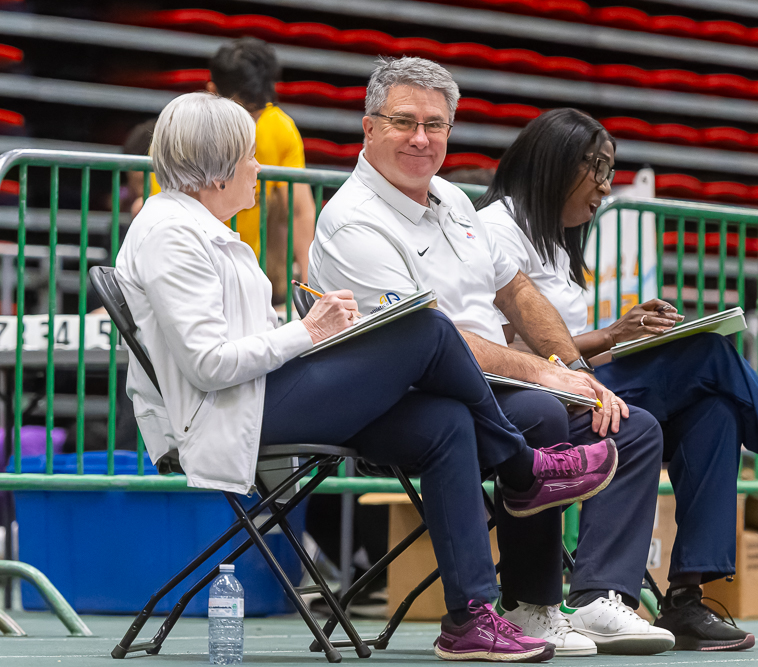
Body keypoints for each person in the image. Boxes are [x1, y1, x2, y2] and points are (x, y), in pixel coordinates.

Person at [114, 91, 617, 663]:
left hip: (258, 394)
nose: (259, 169)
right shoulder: (171, 234)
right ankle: (523, 468)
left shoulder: (199, 227)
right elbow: (209, 363)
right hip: (229, 411)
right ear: (217, 167)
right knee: (425, 327)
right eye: (250, 157)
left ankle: (471, 619)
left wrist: (317, 331)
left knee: (445, 420)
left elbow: (239, 344)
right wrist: (310, 331)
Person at [473, 108, 758, 651]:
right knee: (711, 356)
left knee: (714, 411)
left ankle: (685, 600)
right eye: (596, 169)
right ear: (553, 163)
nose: (605, 186)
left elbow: (561, 346)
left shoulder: (555, 238)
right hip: (529, 399)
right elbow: (498, 347)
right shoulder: (497, 229)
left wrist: (618, 334)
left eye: (609, 172)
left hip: (579, 387)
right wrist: (609, 337)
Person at [310, 57, 677, 657]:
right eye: (404, 121)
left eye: (435, 124)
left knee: (630, 428)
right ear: (369, 127)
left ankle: (601, 599)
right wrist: (550, 376)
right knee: (542, 412)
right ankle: (531, 605)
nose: (421, 138)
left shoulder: (454, 199)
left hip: (494, 386)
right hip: (402, 399)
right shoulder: (353, 222)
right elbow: (435, 340)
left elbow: (517, 292)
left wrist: (575, 372)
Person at [139, 37, 318, 302]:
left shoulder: (280, 128)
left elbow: (300, 210)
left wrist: (310, 285)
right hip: (190, 270)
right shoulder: (182, 135)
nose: (248, 125)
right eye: (240, 112)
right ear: (213, 91)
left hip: (243, 277)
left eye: (256, 113)